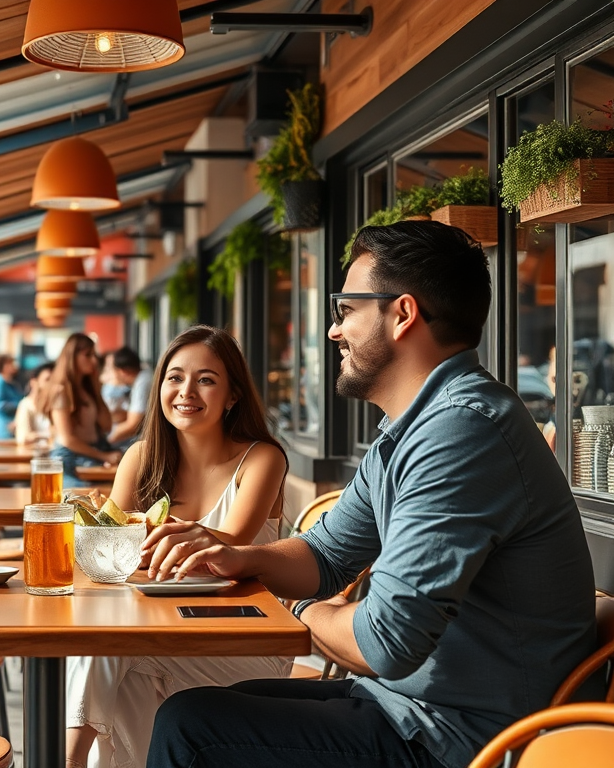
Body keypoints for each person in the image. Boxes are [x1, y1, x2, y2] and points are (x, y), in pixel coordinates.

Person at [145, 220, 599, 768]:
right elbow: (326, 555)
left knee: (191, 728)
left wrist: (295, 606)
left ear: (402, 315)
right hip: (411, 706)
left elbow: (384, 643)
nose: (335, 332)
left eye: (347, 311)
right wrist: (239, 556)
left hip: (467, 740)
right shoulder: (412, 427)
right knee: (192, 708)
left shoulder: (463, 431)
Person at [66, 325, 290, 768]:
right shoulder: (140, 458)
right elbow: (107, 548)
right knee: (115, 657)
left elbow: (229, 549)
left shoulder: (263, 459)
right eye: (175, 377)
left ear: (232, 396)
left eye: (206, 379)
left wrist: (149, 547)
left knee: (114, 645)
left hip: (243, 641)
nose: (187, 391)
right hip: (158, 632)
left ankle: (61, 760)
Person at [37, 333, 121, 486]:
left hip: (96, 451)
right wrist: (103, 456)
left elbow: (106, 425)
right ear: (72, 357)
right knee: (87, 495)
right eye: (88, 355)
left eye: (94, 355)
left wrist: (96, 387)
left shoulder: (87, 388)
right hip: (71, 456)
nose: (94, 360)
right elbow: (67, 439)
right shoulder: (61, 391)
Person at [107, 346, 152, 451]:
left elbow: (133, 425)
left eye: (113, 370)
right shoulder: (144, 376)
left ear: (123, 371)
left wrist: (106, 443)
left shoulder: (143, 382)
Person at [15, 362, 54, 446]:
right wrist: (49, 435)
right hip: (34, 454)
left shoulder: (56, 404)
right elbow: (23, 437)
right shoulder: (26, 405)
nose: (51, 384)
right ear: (34, 381)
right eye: (47, 379)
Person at [0, 354, 23, 439]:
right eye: (10, 364)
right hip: (4, 427)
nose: (14, 366)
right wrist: (20, 405)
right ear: (3, 366)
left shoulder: (10, 381)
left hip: (11, 425)